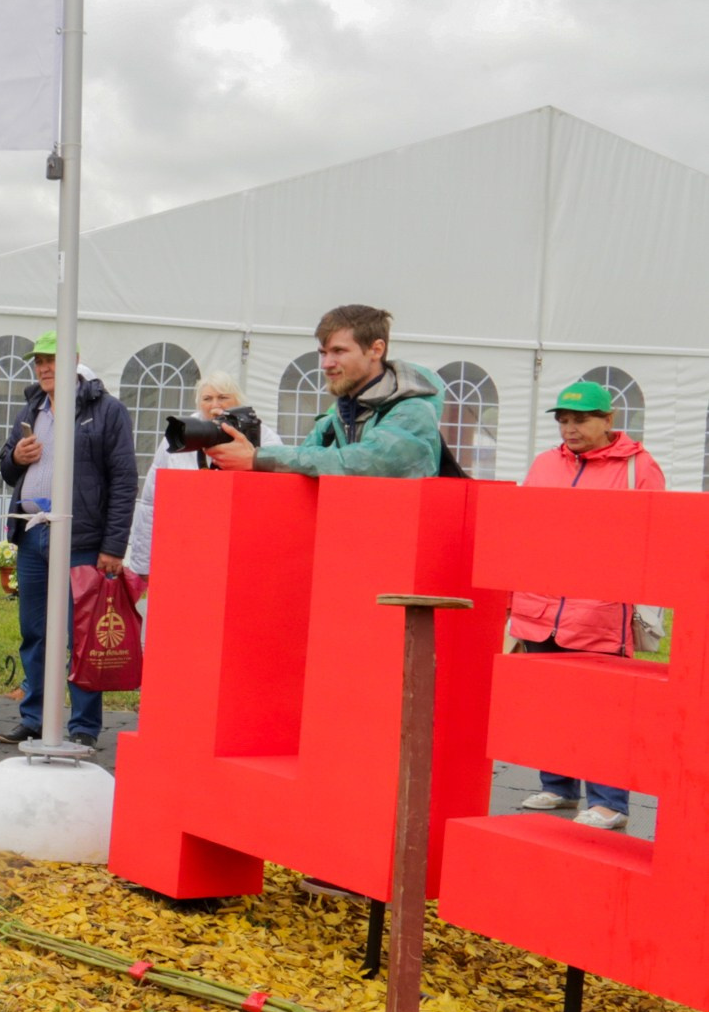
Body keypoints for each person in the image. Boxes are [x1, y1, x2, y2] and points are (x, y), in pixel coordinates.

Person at [506, 382, 665, 832]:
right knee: (550, 705)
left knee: (604, 710)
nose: (570, 428)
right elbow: (524, 529)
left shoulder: (639, 466)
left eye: (581, 419)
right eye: (564, 420)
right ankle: (558, 787)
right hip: (539, 606)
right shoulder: (544, 463)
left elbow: (651, 535)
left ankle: (610, 803)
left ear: (608, 420)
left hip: (597, 609)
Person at [0, 332, 137, 750]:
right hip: (33, 534)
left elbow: (124, 481)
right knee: (34, 632)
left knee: (83, 636)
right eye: (38, 360)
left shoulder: (106, 411)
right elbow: (6, 468)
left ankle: (84, 726)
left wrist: (113, 546)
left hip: (82, 539)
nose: (43, 367)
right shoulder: (32, 407)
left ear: (74, 358)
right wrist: (15, 458)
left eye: (52, 358)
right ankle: (35, 718)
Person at [205, 305, 447, 479]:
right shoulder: (333, 421)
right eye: (323, 352)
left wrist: (257, 458)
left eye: (339, 351)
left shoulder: (413, 409)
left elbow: (365, 462)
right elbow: (303, 468)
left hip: (399, 546)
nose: (326, 364)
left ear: (376, 349)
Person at [124, 373, 283, 580]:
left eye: (223, 397)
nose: (215, 405)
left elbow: (276, 494)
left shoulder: (263, 437)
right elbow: (151, 502)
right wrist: (143, 563)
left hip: (241, 547)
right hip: (185, 547)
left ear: (238, 401)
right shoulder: (181, 435)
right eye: (207, 399)